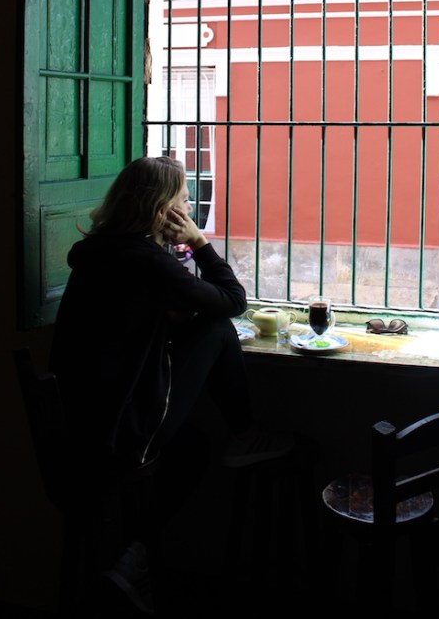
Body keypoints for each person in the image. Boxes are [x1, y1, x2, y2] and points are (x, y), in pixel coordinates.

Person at [49, 156, 292, 611]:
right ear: (164, 211)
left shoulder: (99, 252)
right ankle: (244, 434)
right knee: (217, 330)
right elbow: (232, 301)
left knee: (192, 447)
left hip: (79, 427)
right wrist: (199, 244)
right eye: (184, 200)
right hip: (118, 432)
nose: (190, 208)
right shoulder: (146, 262)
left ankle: (132, 556)